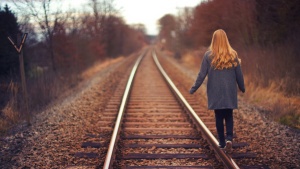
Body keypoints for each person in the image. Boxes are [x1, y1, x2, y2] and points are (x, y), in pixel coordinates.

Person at [189, 29, 245, 152]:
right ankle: (229, 138)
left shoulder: (208, 55)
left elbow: (201, 74)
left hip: (215, 91)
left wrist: (193, 89)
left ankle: (221, 142)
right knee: (229, 114)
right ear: (226, 40)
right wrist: (242, 87)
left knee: (219, 115)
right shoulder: (233, 54)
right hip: (229, 90)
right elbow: (239, 74)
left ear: (214, 40)